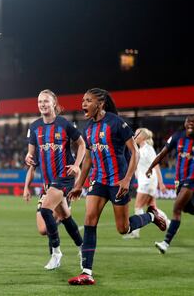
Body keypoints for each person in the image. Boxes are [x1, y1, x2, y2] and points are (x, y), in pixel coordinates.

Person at [67, 88, 166, 285]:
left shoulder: (116, 122)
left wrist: (127, 179)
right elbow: (87, 158)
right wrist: (79, 184)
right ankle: (87, 272)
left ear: (100, 104)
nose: (83, 104)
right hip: (99, 180)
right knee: (89, 221)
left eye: (88, 100)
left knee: (123, 228)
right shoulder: (88, 127)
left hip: (118, 182)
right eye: (83, 100)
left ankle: (152, 215)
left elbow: (135, 153)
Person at [23, 90, 85, 270]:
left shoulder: (64, 124)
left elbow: (81, 144)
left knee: (45, 210)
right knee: (64, 218)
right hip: (48, 182)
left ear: (54, 103)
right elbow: (31, 156)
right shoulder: (34, 127)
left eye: (46, 101)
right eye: (40, 101)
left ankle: (56, 253)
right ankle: (83, 248)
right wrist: (28, 158)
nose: (42, 104)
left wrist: (77, 165)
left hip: (64, 177)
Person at [146, 115, 194, 254]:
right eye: (189, 122)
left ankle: (166, 243)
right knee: (186, 208)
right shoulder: (178, 137)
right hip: (180, 180)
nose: (191, 124)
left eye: (193, 122)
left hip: (191, 179)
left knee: (176, 208)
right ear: (185, 123)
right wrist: (150, 167)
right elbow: (162, 153)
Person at [123, 128, 169, 239]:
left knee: (138, 206)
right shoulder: (141, 149)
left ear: (142, 136)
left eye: (137, 134)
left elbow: (156, 165)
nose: (135, 135)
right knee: (153, 207)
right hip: (147, 182)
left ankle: (135, 232)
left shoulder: (148, 149)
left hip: (148, 182)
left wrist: (161, 183)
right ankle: (170, 225)